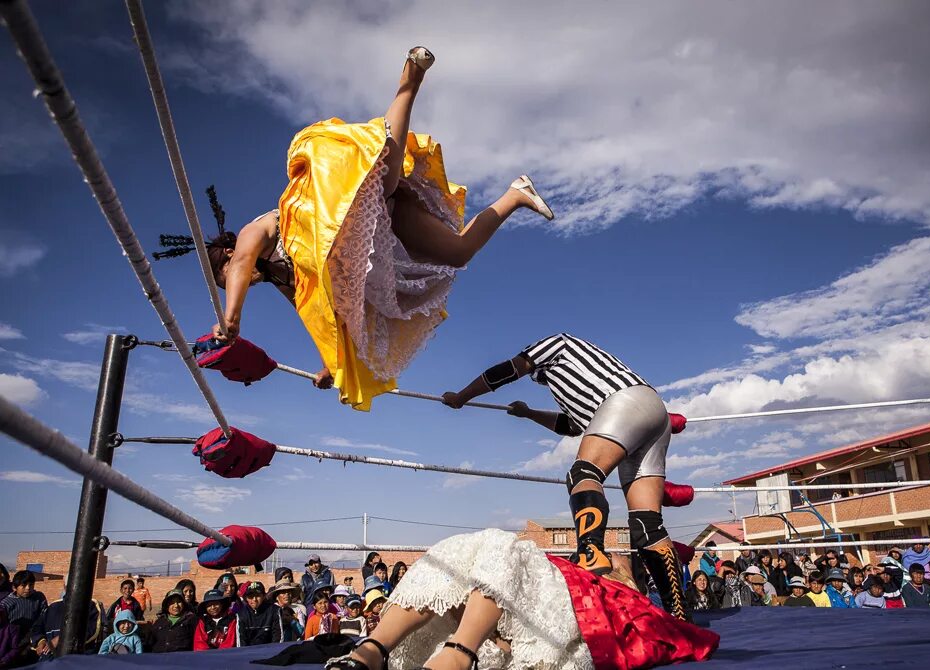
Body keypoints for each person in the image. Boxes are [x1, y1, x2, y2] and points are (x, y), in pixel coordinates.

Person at [169, 48, 556, 413]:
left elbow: (239, 265)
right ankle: (515, 195)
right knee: (457, 253)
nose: (245, 282)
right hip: (377, 235)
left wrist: (231, 318)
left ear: (224, 261)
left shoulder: (254, 233)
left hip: (345, 203)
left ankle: (410, 80)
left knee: (384, 179)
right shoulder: (283, 277)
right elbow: (316, 317)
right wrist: (331, 365)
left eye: (227, 278)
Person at [443, 333, 689, 620]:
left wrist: (462, 397)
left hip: (623, 402)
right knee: (647, 522)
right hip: (654, 413)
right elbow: (571, 426)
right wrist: (530, 414)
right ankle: (679, 615)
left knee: (584, 472)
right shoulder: (576, 382)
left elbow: (507, 370)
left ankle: (590, 552)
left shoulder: (557, 343)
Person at [326, 528, 718, 670]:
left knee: (504, 547)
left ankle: (459, 652)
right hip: (528, 586)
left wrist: (622, 573)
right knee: (473, 546)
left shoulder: (628, 588)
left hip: (562, 604)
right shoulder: (590, 557)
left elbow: (642, 620)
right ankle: (376, 649)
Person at [30, 592, 104, 658]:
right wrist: (40, 642)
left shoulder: (91, 604)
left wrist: (62, 638)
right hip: (51, 658)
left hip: (79, 657)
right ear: (65, 586)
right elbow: (36, 629)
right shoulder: (52, 607)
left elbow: (92, 630)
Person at [147, 589, 196, 653]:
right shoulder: (159, 622)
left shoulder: (191, 620)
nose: (176, 606)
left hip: (182, 660)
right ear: (166, 605)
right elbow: (149, 643)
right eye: (172, 602)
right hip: (159, 659)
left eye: (179, 602)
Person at [237, 582, 284, 646]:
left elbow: (278, 638)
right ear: (246, 598)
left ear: (264, 596)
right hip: (248, 653)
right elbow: (241, 641)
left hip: (271, 652)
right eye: (250, 596)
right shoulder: (241, 614)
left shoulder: (274, 611)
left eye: (257, 596)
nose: (254, 599)